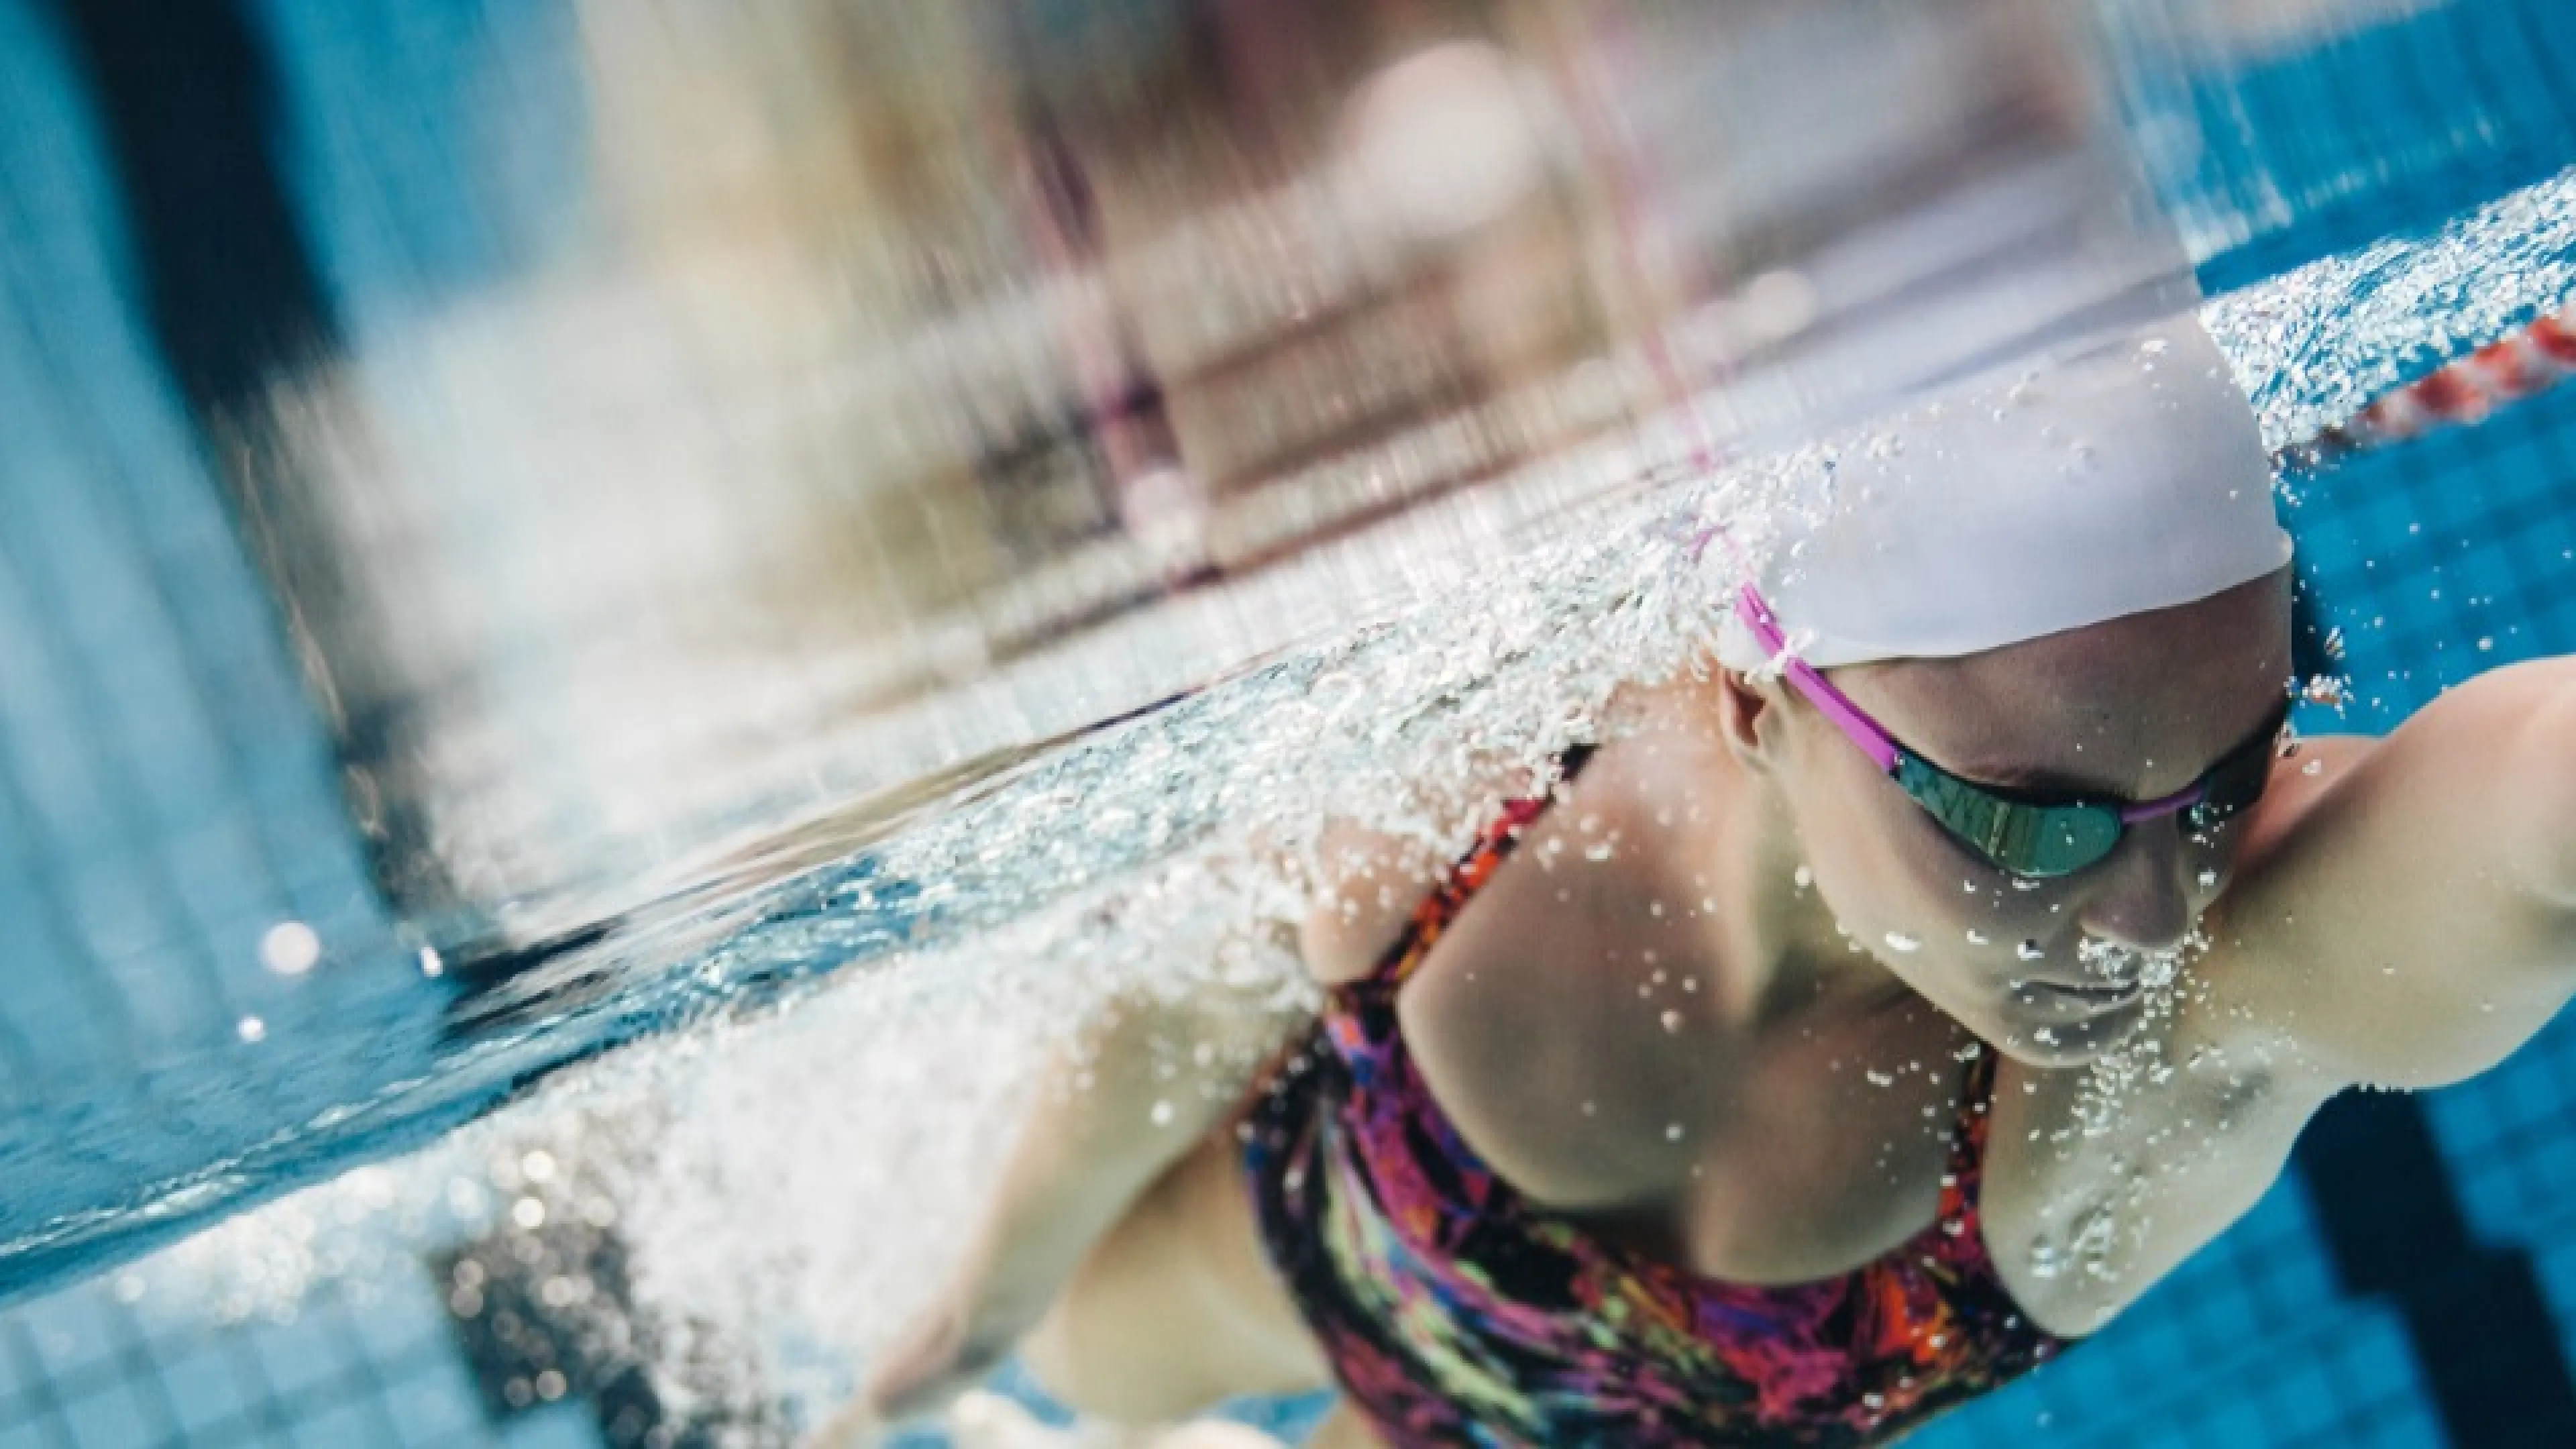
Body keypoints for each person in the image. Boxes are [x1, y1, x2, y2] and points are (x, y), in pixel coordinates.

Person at [817, 315, 2576, 1447]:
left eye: (2227, 779)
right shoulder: (1495, 743)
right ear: (1758, 696)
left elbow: (2522, 825)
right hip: (1201, 1308)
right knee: (1072, 1371)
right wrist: (960, 1325)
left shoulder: (2143, 1057)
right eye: (2035, 825)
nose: (2143, 918)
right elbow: (1173, 1004)